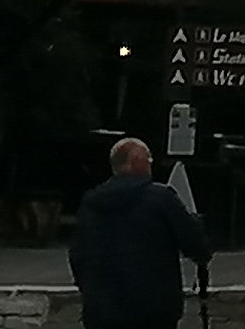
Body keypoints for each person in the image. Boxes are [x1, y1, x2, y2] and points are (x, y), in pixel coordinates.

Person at [71, 138, 208, 329]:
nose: (151, 165)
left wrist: (89, 290)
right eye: (149, 159)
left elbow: (77, 254)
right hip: (154, 309)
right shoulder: (161, 198)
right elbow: (196, 245)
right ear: (136, 161)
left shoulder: (91, 202)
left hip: (102, 310)